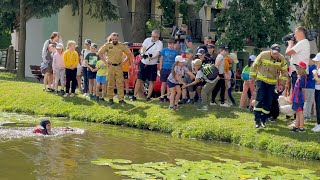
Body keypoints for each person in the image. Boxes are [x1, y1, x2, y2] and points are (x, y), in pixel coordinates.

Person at [250, 44, 288, 128]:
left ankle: (263, 120)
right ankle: (257, 120)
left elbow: (284, 72)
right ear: (270, 51)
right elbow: (254, 66)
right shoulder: (263, 55)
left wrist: (282, 84)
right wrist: (252, 77)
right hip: (261, 81)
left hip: (272, 83)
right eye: (274, 53)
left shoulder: (281, 59)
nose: (275, 55)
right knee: (259, 99)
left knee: (268, 102)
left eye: (277, 53)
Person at [98, 32, 132, 105]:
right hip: (110, 66)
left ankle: (121, 99)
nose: (114, 40)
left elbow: (129, 54)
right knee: (110, 83)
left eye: (116, 39)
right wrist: (105, 62)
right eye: (113, 39)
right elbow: (100, 53)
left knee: (120, 83)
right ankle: (110, 99)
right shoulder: (108, 45)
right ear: (111, 38)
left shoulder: (121, 45)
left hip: (119, 66)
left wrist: (123, 62)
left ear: (118, 38)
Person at [131, 30, 163, 102]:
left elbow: (158, 52)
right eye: (152, 36)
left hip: (153, 64)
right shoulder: (147, 40)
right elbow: (143, 48)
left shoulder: (159, 43)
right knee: (139, 79)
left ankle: (148, 97)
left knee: (151, 81)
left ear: (158, 36)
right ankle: (134, 96)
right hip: (144, 63)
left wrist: (153, 57)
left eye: (155, 37)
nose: (153, 38)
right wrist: (142, 54)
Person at [285, 26, 310, 93]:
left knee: (297, 94)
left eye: (295, 34)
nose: (295, 36)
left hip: (298, 73)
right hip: (299, 72)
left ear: (301, 33)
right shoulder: (304, 43)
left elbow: (287, 53)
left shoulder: (302, 42)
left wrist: (290, 44)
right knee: (298, 94)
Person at [290, 61, 307, 132]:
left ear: (301, 69)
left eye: (297, 68)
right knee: (297, 112)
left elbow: (303, 89)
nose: (296, 69)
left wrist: (304, 97)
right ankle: (296, 126)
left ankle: (301, 127)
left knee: (300, 112)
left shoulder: (302, 78)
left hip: (299, 98)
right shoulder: (299, 77)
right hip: (296, 98)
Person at [304, 54, 317, 120]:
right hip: (312, 87)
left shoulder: (310, 67)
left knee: (307, 101)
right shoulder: (315, 67)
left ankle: (306, 115)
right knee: (309, 102)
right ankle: (307, 115)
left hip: (309, 86)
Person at [311, 53, 320, 132]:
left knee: (319, 108)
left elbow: (319, 81)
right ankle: (318, 123)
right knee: (317, 107)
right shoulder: (318, 68)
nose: (315, 62)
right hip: (317, 89)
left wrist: (315, 73)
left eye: (317, 61)